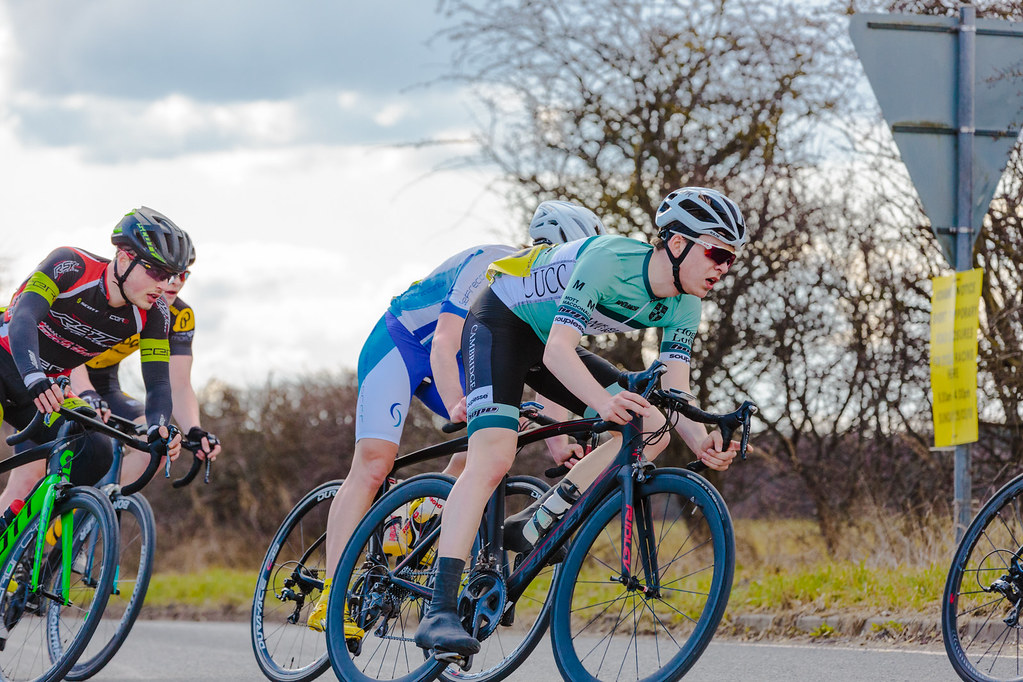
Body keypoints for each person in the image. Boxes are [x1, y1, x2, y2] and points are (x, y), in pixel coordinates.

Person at [414, 187, 750, 656]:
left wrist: (701, 440)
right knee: (493, 457)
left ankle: (539, 519)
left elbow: (675, 395)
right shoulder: (609, 260)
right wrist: (602, 402)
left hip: (544, 337)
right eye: (716, 252)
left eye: (730, 260)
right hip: (500, 323)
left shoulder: (686, 303)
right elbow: (557, 353)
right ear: (677, 243)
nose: (722, 268)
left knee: (652, 426)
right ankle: (439, 609)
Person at [306, 201, 606, 635]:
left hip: (460, 357)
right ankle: (330, 597)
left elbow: (545, 367)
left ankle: (421, 510)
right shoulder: (492, 263)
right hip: (404, 344)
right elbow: (444, 343)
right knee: (374, 462)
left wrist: (559, 445)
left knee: (490, 445)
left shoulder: (545, 298)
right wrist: (457, 406)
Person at [0, 207, 188, 512]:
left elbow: (158, 383)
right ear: (125, 258)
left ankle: (35, 538)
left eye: (173, 276)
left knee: (97, 451)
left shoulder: (155, 314)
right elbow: (23, 318)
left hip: (46, 387)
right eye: (156, 272)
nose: (164, 284)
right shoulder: (68, 265)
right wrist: (34, 375)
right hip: (10, 361)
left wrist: (159, 428)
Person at [70, 259, 221, 481]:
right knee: (27, 478)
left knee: (156, 446)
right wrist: (85, 393)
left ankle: (91, 507)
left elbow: (179, 385)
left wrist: (194, 431)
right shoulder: (119, 295)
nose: (174, 282)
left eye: (183, 276)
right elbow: (68, 351)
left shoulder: (179, 315)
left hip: (105, 382)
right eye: (164, 273)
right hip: (66, 373)